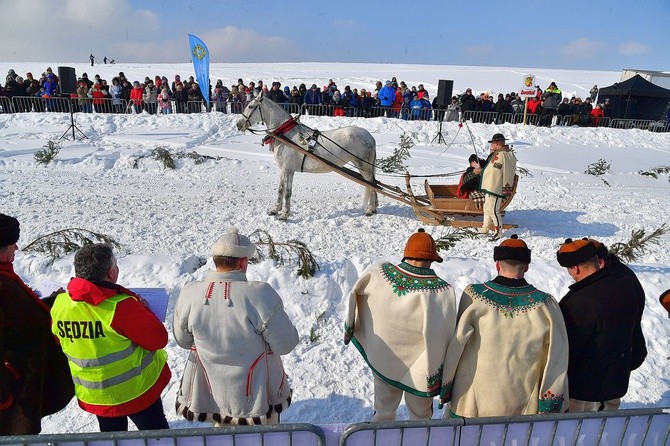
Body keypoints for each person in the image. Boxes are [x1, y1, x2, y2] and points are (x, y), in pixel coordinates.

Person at [174, 229, 298, 426]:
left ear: (215, 260)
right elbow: (285, 344)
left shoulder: (190, 293)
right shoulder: (259, 294)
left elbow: (183, 341)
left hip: (210, 394)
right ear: (243, 262)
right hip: (257, 398)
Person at [440, 235, 569, 417]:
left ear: (498, 264)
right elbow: (557, 355)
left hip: (472, 397)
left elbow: (457, 343)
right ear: (526, 267)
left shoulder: (474, 296)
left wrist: (446, 386)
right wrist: (550, 401)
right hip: (522, 400)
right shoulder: (546, 305)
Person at [50, 244, 170, 432]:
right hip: (136, 392)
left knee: (112, 437)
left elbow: (60, 340)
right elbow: (158, 339)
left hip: (96, 395)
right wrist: (144, 310)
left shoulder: (60, 303)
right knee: (157, 434)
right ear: (111, 272)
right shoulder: (120, 307)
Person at [345, 229, 457, 421]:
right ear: (432, 259)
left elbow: (355, 293)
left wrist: (351, 326)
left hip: (383, 360)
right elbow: (443, 338)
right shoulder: (442, 292)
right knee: (421, 417)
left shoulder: (379, 274)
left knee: (383, 412)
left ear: (406, 253)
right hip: (420, 372)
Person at [0, 214, 74, 435]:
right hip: (13, 396)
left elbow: (20, 312)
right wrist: (3, 396)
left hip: (21, 386)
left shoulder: (5, 276)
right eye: (13, 245)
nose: (17, 249)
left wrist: (51, 301)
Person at [556, 238, 647, 412]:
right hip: (615, 379)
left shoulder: (579, 302)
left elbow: (569, 348)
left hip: (585, 389)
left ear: (575, 268)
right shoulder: (626, 282)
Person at [475, 133, 517, 240]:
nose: (491, 145)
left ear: (497, 144)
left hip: (496, 187)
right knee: (487, 208)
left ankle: (498, 232)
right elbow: (493, 168)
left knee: (494, 210)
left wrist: (481, 171)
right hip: (492, 185)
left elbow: (500, 171)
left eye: (492, 143)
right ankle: (485, 228)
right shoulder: (501, 153)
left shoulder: (503, 155)